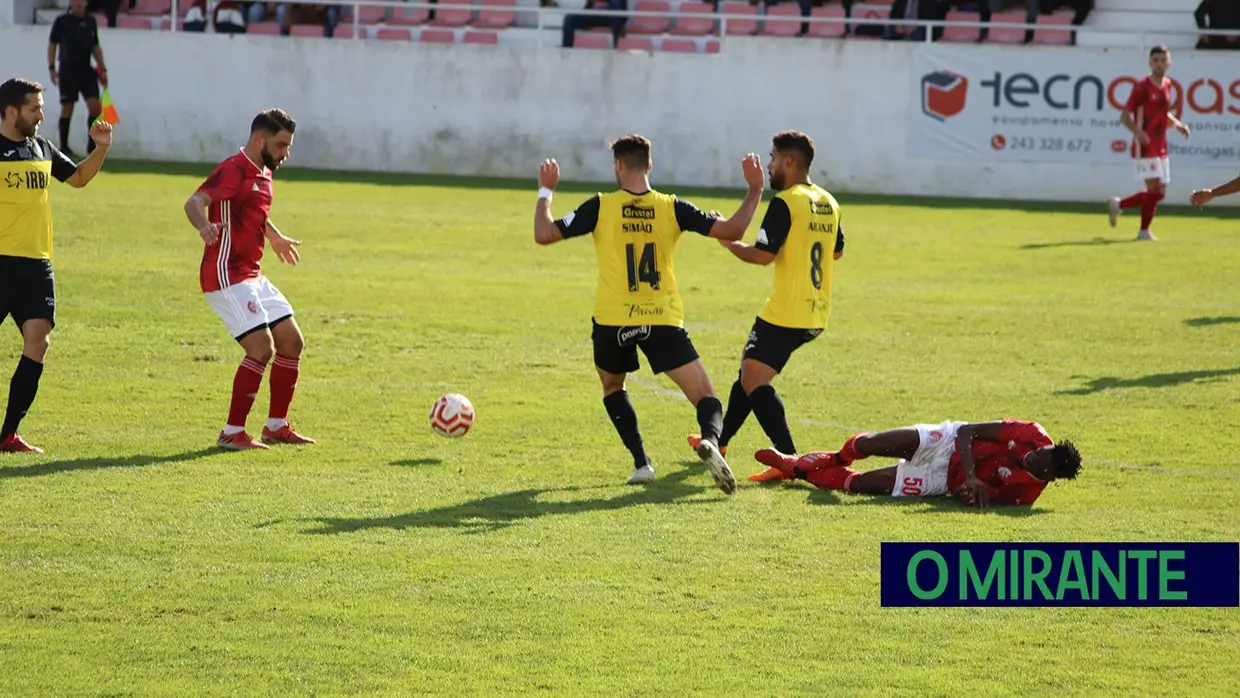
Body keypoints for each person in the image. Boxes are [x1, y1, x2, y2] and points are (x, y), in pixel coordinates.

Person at [533, 134, 765, 493]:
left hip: (612, 319)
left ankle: (642, 463)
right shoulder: (672, 207)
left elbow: (544, 234)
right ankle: (710, 440)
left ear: (618, 166)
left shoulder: (600, 206)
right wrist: (754, 189)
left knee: (613, 386)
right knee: (705, 395)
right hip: (661, 318)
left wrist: (546, 191)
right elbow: (733, 230)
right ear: (650, 165)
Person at [688, 130, 843, 462]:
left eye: (772, 158)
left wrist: (728, 242)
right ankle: (719, 441)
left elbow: (762, 255)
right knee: (750, 371)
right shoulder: (829, 201)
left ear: (789, 161)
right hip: (816, 311)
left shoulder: (786, 201)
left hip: (786, 310)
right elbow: (837, 251)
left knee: (754, 378)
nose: (769, 165)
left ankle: (790, 460)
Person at [182, 108, 314, 451]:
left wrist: (275, 236)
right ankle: (232, 432)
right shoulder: (233, 169)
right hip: (226, 274)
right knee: (261, 347)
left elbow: (254, 213)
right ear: (259, 139)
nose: (286, 153)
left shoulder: (263, 171)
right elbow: (194, 201)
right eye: (281, 144)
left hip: (252, 274)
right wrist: (204, 226)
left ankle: (276, 426)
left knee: (292, 341)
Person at [0, 77, 111, 453]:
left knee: (38, 341)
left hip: (36, 265)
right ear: (11, 110)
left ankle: (8, 433)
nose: (41, 115)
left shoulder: (42, 148)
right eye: (34, 108)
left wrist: (100, 149)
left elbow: (78, 178)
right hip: (1, 263)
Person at [750, 419, 1082, 508]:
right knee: (868, 444)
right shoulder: (1032, 433)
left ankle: (792, 468)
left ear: (1049, 477)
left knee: (862, 485)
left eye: (1038, 463)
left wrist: (966, 493)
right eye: (1040, 451)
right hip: (948, 440)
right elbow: (969, 431)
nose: (1032, 456)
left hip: (940, 480)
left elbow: (969, 496)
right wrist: (971, 475)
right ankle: (832, 458)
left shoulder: (1024, 495)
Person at [1107, 46, 1190, 242]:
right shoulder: (1142, 87)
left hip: (1161, 145)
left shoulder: (1168, 85)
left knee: (1159, 193)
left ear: (1169, 63)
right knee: (1156, 191)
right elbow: (1125, 116)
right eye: (1156, 60)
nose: (1159, 63)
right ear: (1150, 63)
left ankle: (1119, 205)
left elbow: (1164, 114)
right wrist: (1138, 132)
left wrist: (1177, 125)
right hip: (1144, 146)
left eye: (1163, 60)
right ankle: (1143, 231)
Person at [47, 0, 108, 158]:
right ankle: (64, 147)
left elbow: (95, 47)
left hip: (86, 71)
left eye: (81, 1)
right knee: (68, 108)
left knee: (95, 107)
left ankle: (91, 145)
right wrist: (52, 68)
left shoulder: (90, 21)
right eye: (75, 1)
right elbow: (52, 44)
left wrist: (102, 68)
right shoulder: (62, 22)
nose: (78, 3)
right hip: (68, 71)